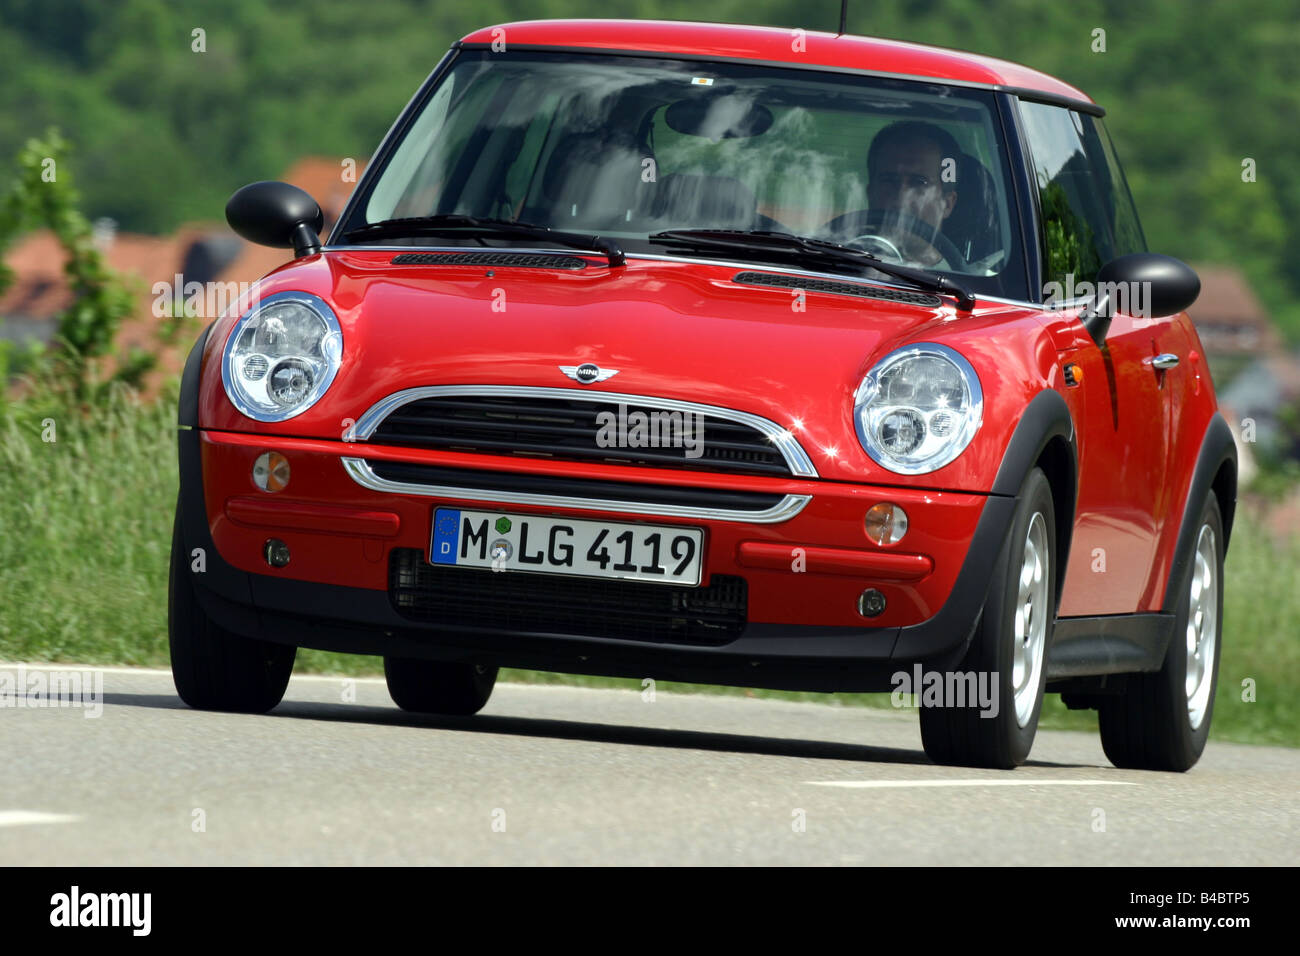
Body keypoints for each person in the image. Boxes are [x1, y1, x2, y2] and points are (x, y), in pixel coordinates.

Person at [858, 120, 963, 267]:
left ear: (947, 204)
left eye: (919, 182)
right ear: (870, 193)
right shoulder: (832, 266)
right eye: (889, 180)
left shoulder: (977, 284)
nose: (901, 198)